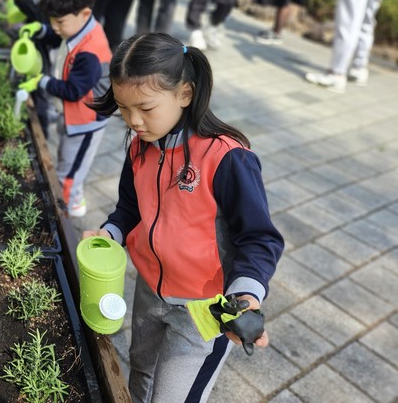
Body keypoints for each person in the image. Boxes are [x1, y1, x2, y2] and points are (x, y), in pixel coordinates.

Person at [84, 32, 284, 402]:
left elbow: (259, 238)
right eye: (124, 108)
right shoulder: (140, 146)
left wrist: (245, 295)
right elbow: (129, 207)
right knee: (140, 373)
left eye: (145, 108)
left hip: (203, 311)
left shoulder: (226, 157)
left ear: (185, 94)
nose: (134, 120)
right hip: (150, 291)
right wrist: (110, 233)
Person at [18, 0, 111, 217]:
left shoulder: (90, 51)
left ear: (85, 14)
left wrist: (42, 81)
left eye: (59, 23)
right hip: (72, 117)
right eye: (52, 21)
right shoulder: (76, 28)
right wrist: (41, 30)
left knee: (68, 174)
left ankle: (66, 213)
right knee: (67, 160)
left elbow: (73, 91)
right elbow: (58, 34)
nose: (55, 27)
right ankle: (72, 198)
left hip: (86, 123)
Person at [1, 0, 66, 137]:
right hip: (43, 57)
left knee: (40, 96)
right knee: (38, 92)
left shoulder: (51, 5)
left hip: (47, 61)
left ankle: (42, 132)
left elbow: (32, 9)